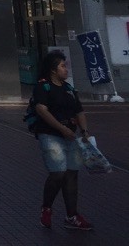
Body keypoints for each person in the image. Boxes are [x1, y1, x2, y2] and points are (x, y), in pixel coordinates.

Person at [31, 50, 93, 231]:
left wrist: (85, 131)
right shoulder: (43, 87)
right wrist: (61, 128)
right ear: (53, 69)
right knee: (58, 172)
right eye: (63, 66)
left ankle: (72, 215)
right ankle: (47, 207)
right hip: (50, 135)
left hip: (71, 136)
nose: (66, 69)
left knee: (72, 174)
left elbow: (79, 111)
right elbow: (42, 110)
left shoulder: (69, 88)